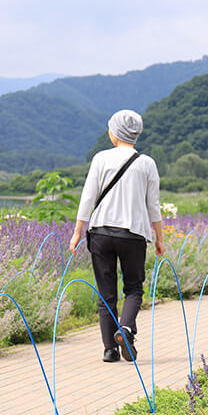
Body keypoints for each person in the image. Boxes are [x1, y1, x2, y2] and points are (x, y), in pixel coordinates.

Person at [69, 110, 164, 363]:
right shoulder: (147, 163)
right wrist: (160, 238)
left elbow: (88, 196)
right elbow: (153, 206)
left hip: (100, 232)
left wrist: (77, 231)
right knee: (133, 288)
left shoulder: (101, 158)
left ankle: (110, 350)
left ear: (114, 134)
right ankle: (126, 328)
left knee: (106, 293)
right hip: (133, 235)